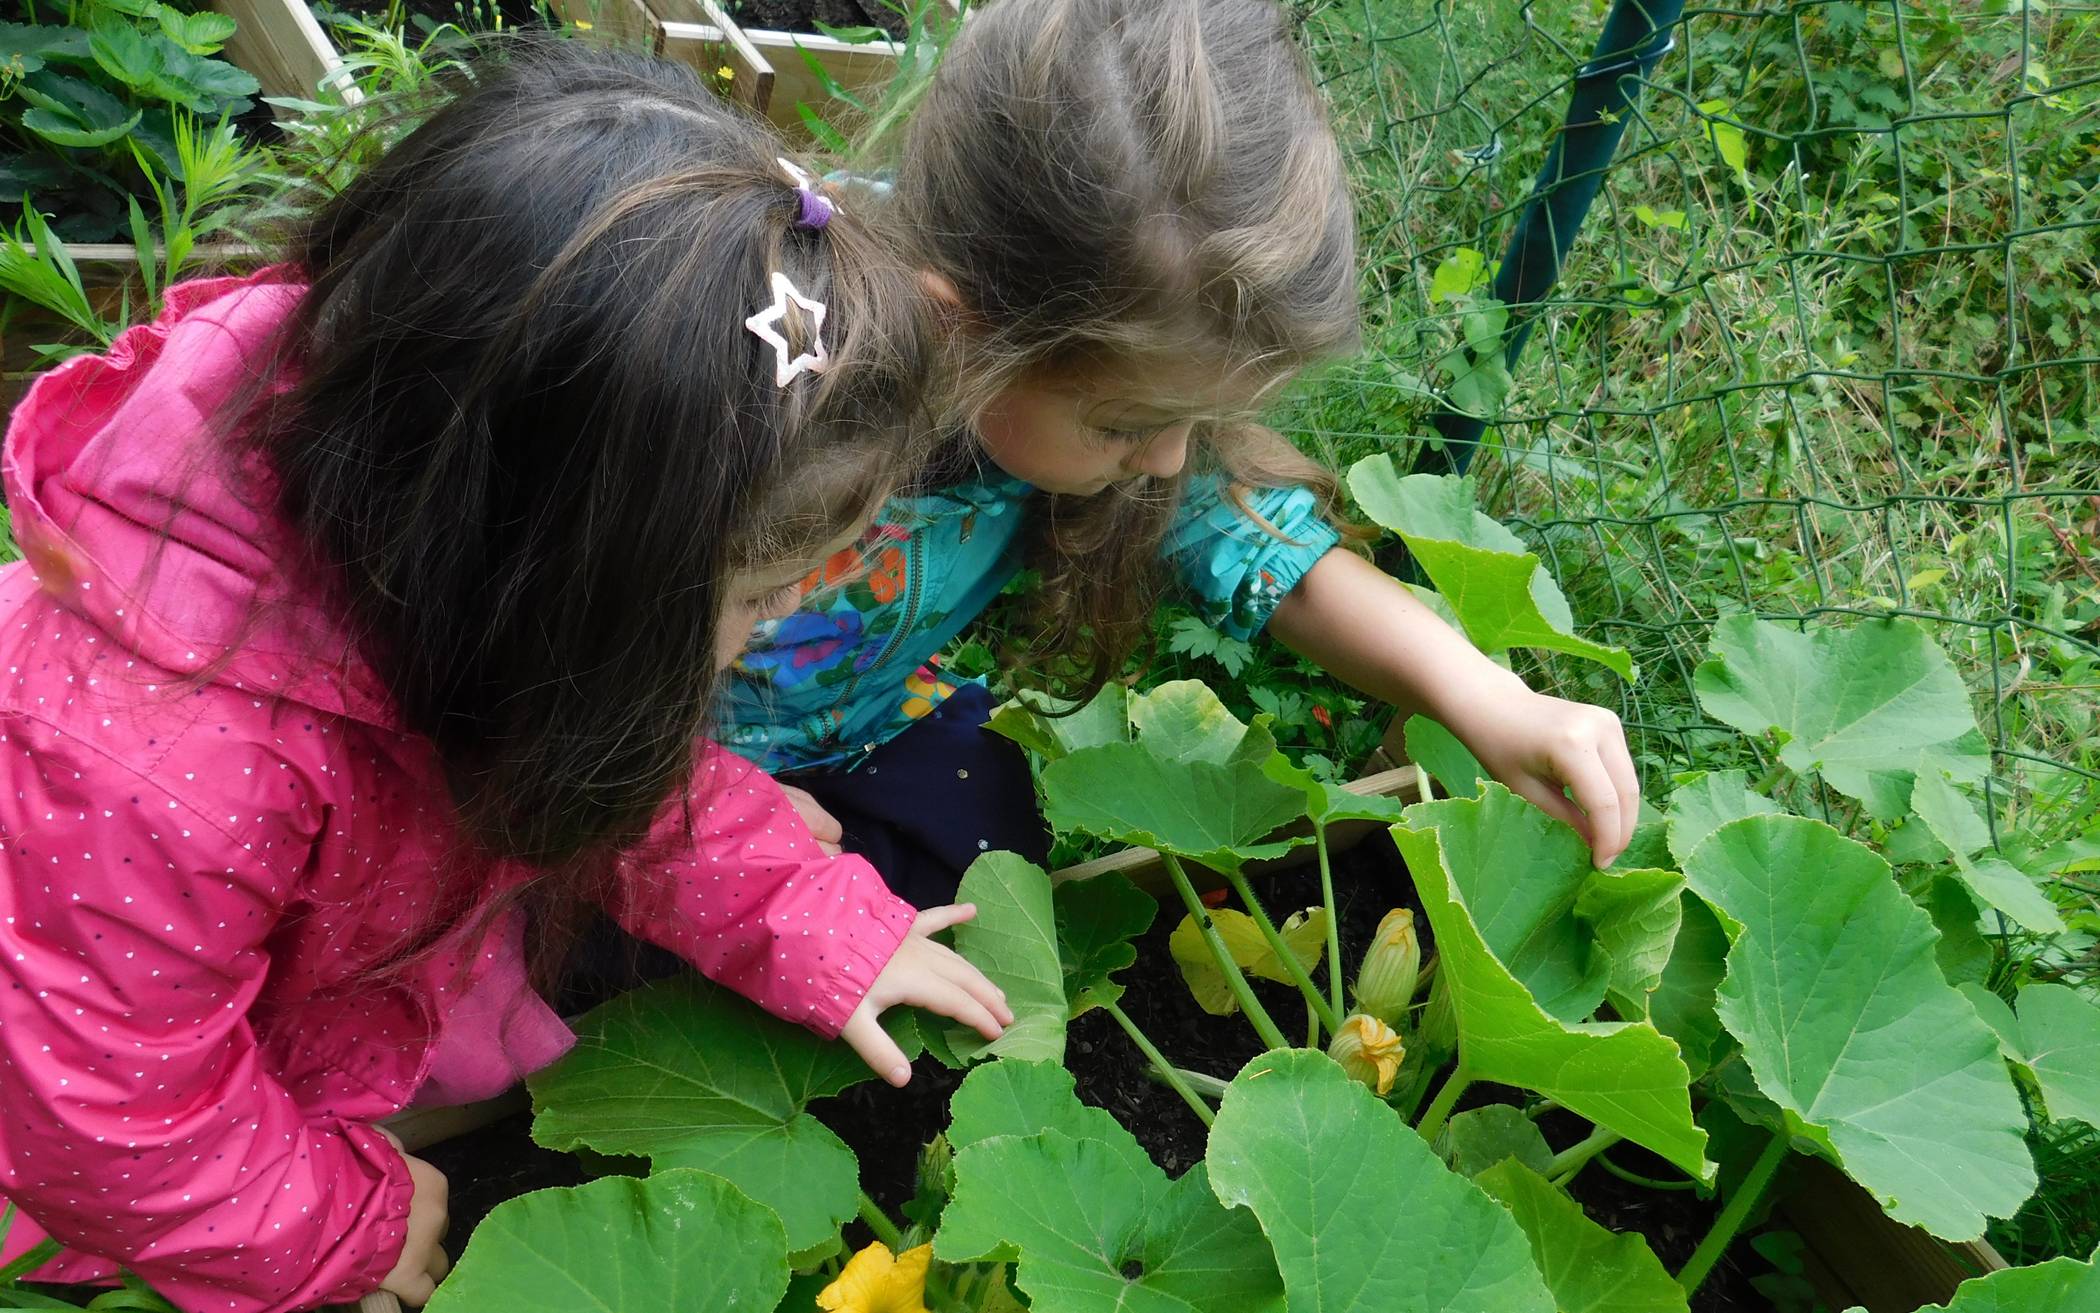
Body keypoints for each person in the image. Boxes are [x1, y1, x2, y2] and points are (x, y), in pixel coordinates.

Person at [0, 45, 1007, 1313]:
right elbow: (101, 1123)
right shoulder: (162, 778)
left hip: (284, 993)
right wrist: (334, 1223)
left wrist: (811, 917)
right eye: (760, 592)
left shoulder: (459, 539)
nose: (798, 606)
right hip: (75, 1139)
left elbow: (606, 756)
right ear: (538, 579)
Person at [723, 0, 1641, 909]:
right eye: (1127, 424)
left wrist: (1488, 695)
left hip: (865, 719)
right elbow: (592, 648)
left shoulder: (1055, 364)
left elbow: (1274, 553)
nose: (1168, 463)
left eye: (1194, 425)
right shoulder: (754, 382)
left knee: (987, 867)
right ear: (959, 329)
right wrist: (713, 810)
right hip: (642, 742)